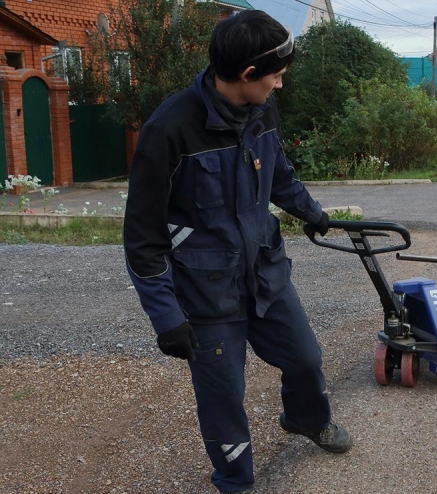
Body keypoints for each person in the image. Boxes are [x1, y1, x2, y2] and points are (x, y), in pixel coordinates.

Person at [123, 10, 351, 493]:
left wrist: (311, 212)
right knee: (224, 398)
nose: (280, 86)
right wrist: (166, 318)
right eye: (276, 76)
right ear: (247, 74)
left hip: (265, 273)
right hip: (206, 296)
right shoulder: (169, 130)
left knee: (307, 359)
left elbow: (279, 173)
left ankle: (306, 420)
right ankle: (236, 482)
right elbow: (142, 238)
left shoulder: (261, 108)